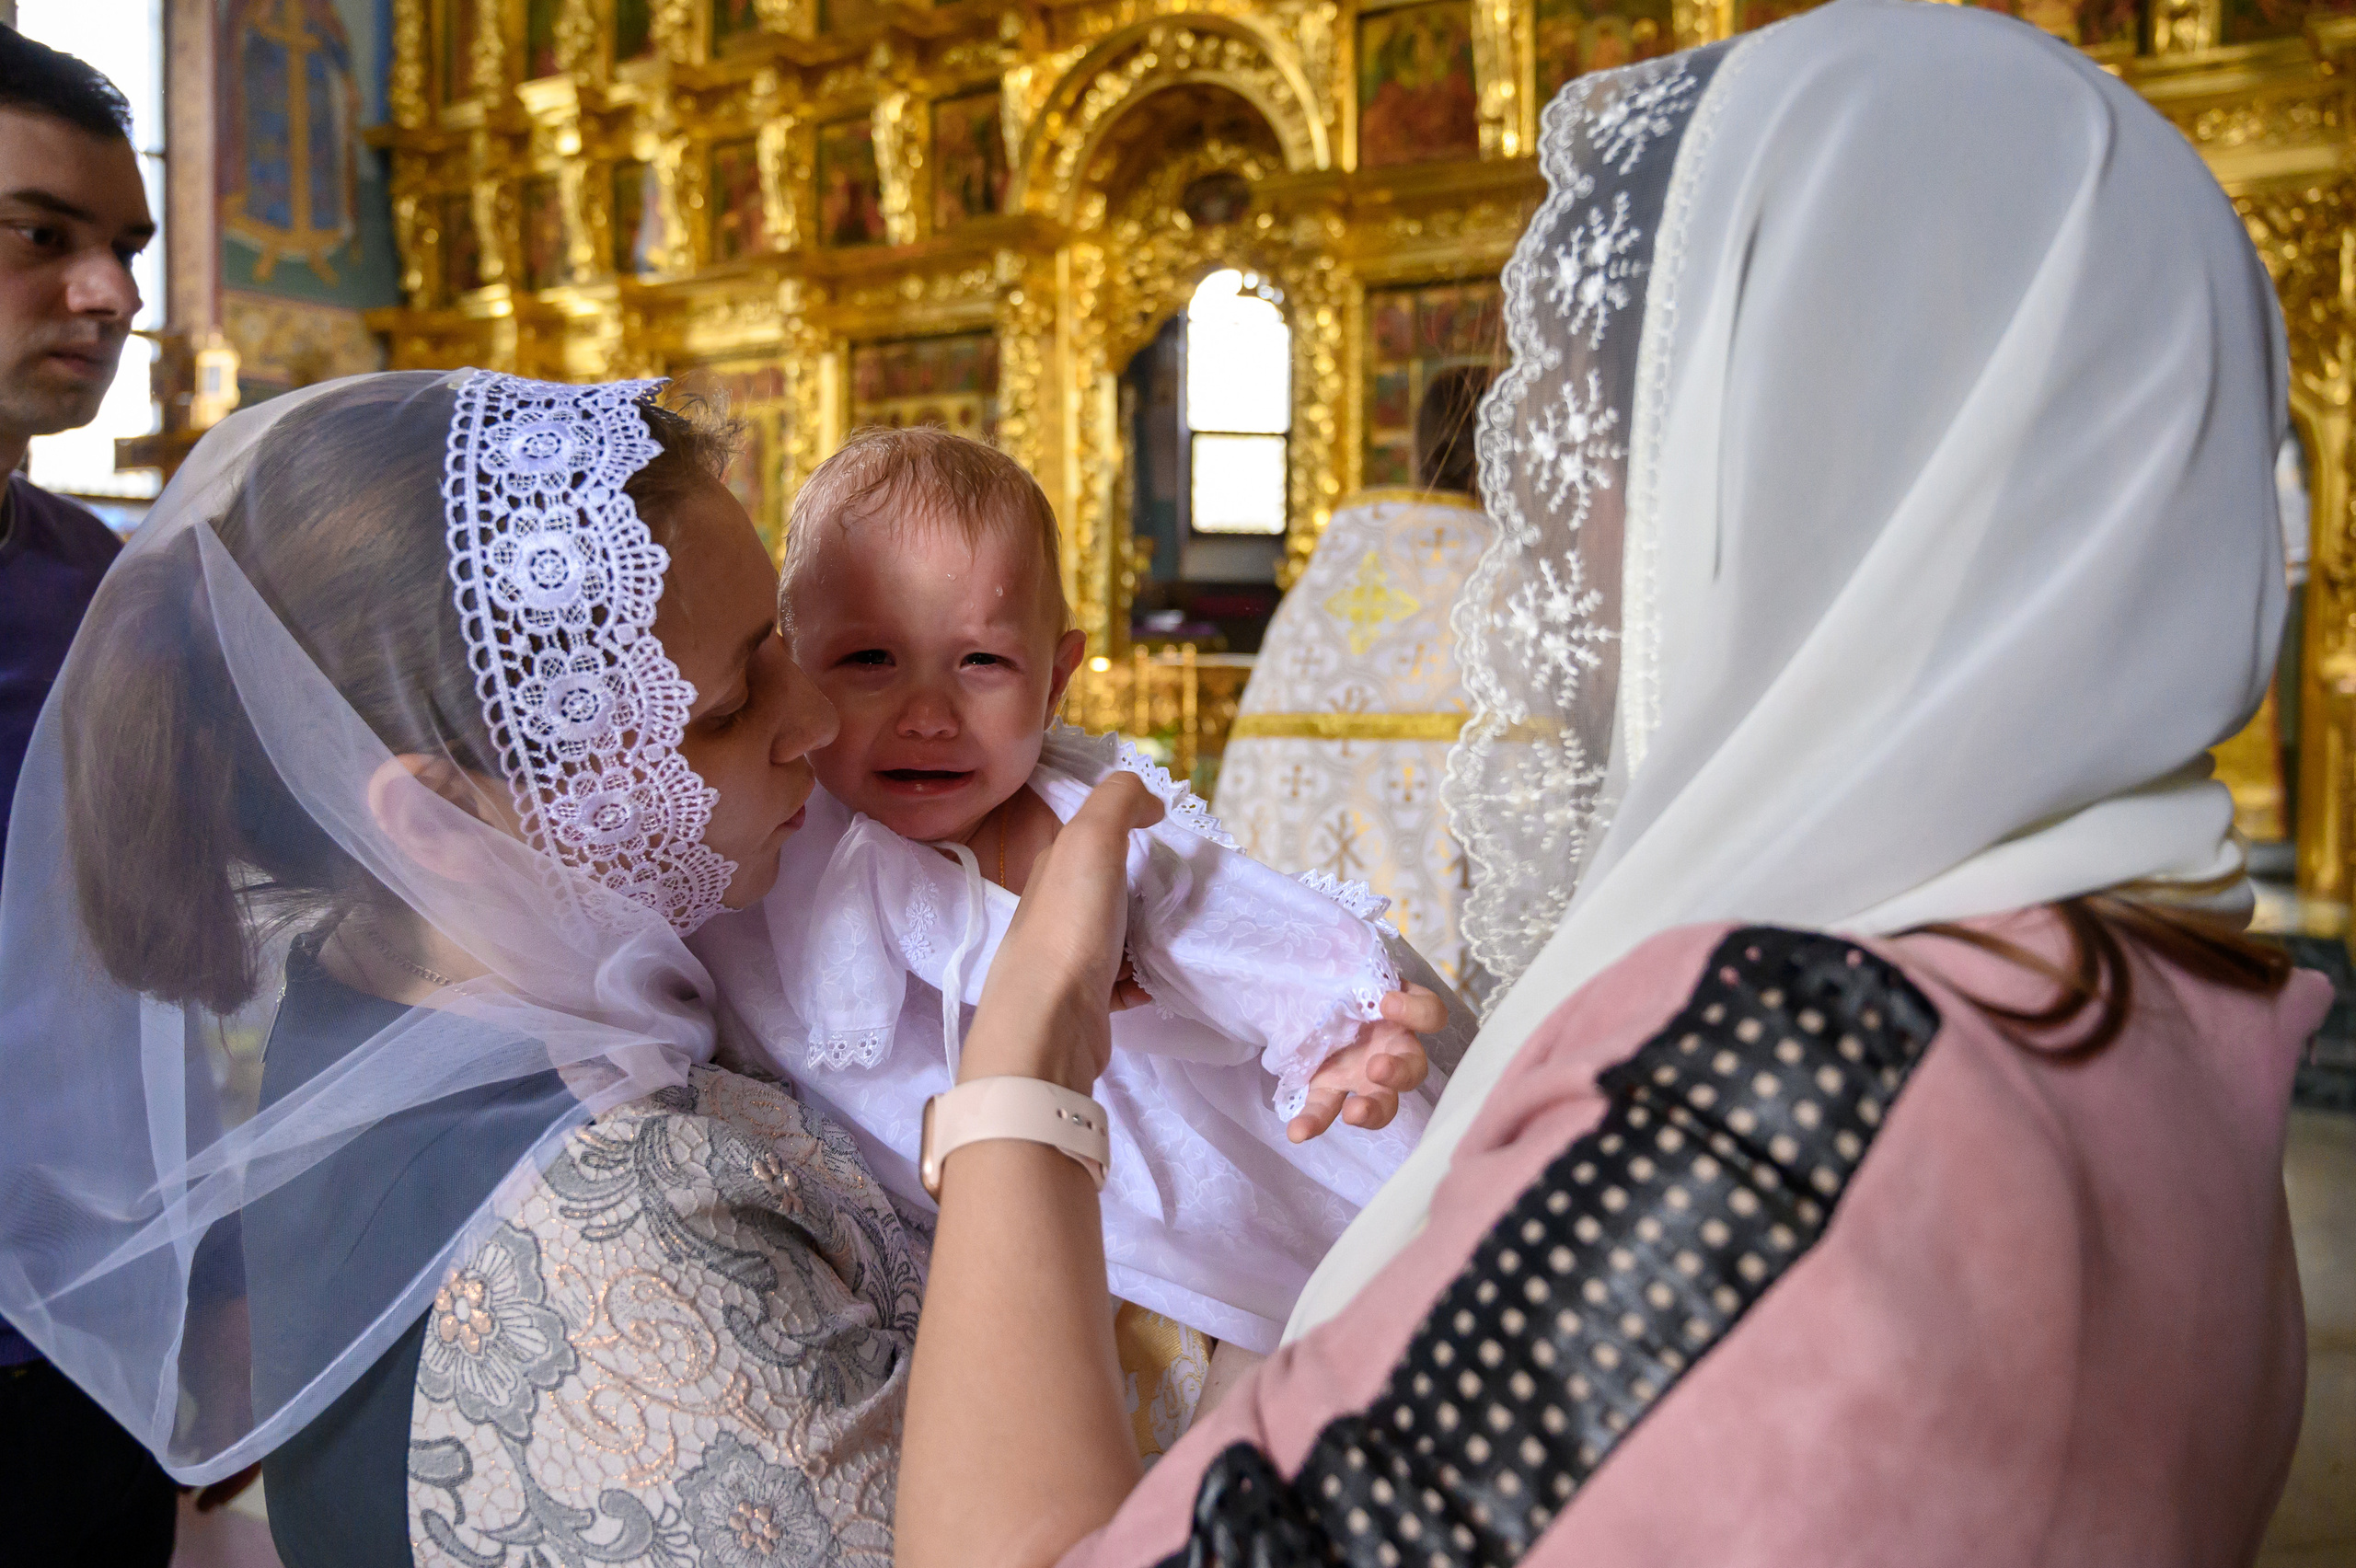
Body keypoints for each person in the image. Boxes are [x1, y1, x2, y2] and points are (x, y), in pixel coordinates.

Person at [892, 6, 2332, 1564]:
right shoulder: (2164, 986)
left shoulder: (1786, 1087)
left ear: (1793, 478)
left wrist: (1030, 1037)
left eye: (1587, 450)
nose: (1534, 553)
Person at [0, 368, 1238, 1568]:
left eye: (786, 646)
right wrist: (1029, 1059)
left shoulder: (374, 987)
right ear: (439, 822)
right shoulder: (640, 1214)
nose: (812, 722)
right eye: (719, 708)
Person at [696, 425, 1462, 1380]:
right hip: (896, 1192)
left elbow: (1221, 920)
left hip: (1127, 1175)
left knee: (1324, 1324)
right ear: (790, 662)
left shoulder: (1068, 820)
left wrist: (1334, 1025)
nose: (927, 714)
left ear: (1055, 680)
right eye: (868, 662)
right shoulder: (770, 824)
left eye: (980, 663)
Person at [0, 23, 181, 1567]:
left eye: (123, 245)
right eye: (39, 234)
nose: (114, 291)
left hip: (73, 1354)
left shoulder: (107, 590)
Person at [1214, 365, 1499, 997]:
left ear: (1419, 451)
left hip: (1306, 974)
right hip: (1450, 957)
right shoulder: (1500, 576)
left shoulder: (1330, 577)